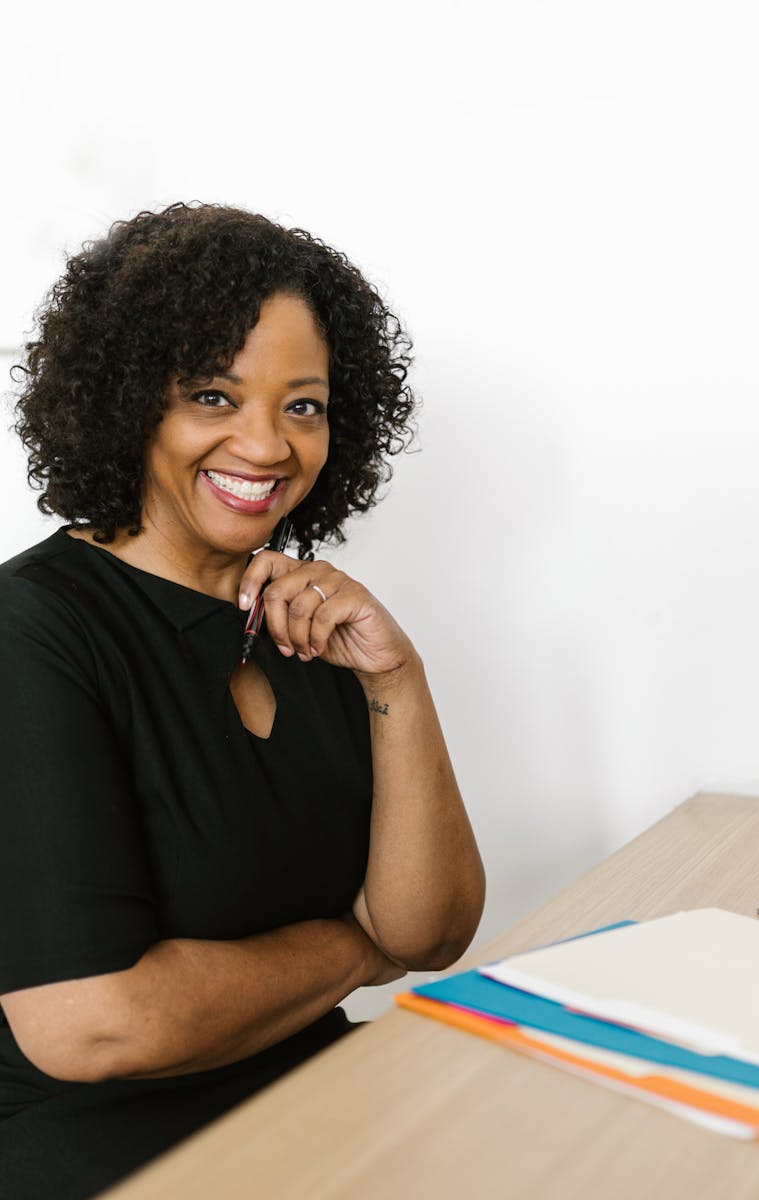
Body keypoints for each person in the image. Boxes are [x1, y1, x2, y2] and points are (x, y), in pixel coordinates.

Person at [0, 203, 485, 1198]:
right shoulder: (32, 631)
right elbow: (93, 1024)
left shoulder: (309, 618)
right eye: (213, 397)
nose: (265, 445)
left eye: (301, 405)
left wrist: (395, 677)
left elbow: (429, 931)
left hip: (324, 1102)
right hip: (107, 1153)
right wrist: (355, 947)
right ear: (130, 402)